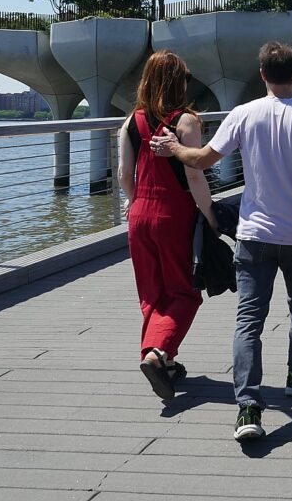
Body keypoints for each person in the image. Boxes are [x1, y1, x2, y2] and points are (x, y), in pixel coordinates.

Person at [151, 42, 292, 442]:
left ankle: (248, 408)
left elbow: (204, 159)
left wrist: (174, 148)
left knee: (248, 320)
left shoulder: (242, 114)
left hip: (253, 233)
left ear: (261, 75)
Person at [118, 50, 216, 400]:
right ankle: (157, 353)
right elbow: (195, 175)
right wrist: (210, 215)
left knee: (151, 294)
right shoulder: (186, 122)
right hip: (173, 216)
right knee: (184, 293)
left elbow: (123, 175)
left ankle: (163, 359)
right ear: (178, 82)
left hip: (138, 214)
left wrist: (136, 201)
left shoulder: (132, 121)